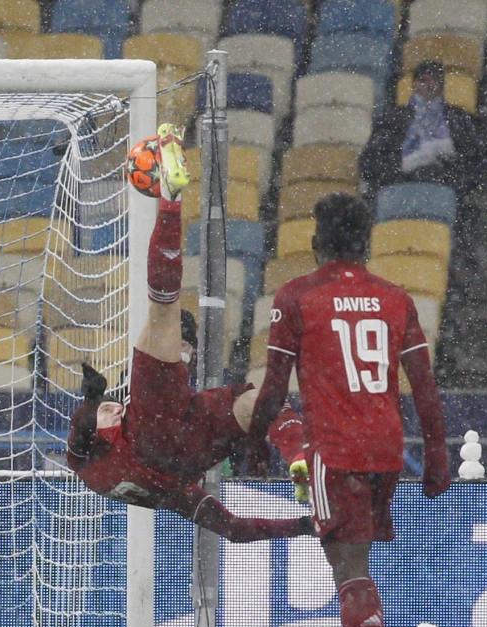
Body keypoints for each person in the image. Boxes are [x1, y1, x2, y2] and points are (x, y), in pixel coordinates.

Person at [245, 192, 450, 627]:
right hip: (385, 449)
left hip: (334, 451)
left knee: (348, 569)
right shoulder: (394, 297)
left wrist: (250, 444)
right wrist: (436, 453)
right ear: (364, 244)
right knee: (356, 567)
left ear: (315, 243)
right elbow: (425, 388)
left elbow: (272, 387)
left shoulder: (296, 297)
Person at [68, 124, 316, 544]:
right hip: (161, 431)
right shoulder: (110, 447)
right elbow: (78, 438)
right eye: (108, 413)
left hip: (192, 453)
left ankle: (301, 456)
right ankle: (170, 200)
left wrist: (305, 527)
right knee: (164, 311)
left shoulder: (164, 493)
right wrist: (92, 400)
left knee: (256, 402)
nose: (112, 409)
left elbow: (234, 529)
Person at [358, 61, 482, 199]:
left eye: (434, 80)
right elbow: (368, 163)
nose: (428, 85)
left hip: (450, 193)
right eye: (423, 80)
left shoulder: (459, 118)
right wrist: (403, 170)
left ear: (442, 87)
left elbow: (477, 161)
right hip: (400, 192)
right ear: (414, 85)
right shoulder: (393, 119)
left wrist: (455, 180)